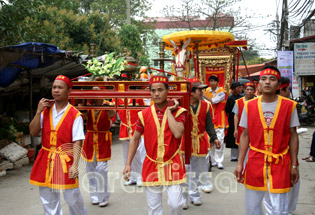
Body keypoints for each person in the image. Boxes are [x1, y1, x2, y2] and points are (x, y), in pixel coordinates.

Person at [234, 66, 300, 215]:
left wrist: (294, 165)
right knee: (252, 205)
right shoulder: (249, 106)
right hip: (255, 160)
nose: (267, 82)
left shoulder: (289, 106)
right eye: (264, 79)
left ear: (278, 84)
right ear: (259, 84)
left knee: (280, 207)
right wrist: (240, 164)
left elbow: (293, 135)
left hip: (281, 162)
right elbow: (245, 135)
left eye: (272, 79)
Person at [123, 75, 187, 215]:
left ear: (167, 91)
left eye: (160, 90)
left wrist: (169, 111)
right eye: (153, 90)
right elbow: (135, 139)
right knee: (153, 208)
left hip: (173, 163)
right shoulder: (143, 114)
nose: (156, 94)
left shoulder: (179, 111)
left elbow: (177, 133)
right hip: (151, 163)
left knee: (176, 204)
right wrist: (128, 164)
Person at [29, 75, 87, 215]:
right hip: (45, 159)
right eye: (54, 87)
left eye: (60, 87)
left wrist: (75, 165)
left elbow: (78, 141)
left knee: (72, 197)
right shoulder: (45, 110)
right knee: (47, 198)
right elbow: (33, 131)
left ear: (69, 91)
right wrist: (38, 112)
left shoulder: (75, 115)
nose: (56, 90)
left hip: (65, 160)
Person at [181, 78, 221, 209]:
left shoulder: (206, 105)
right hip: (184, 143)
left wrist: (214, 137)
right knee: (184, 172)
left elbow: (209, 123)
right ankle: (183, 198)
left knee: (198, 172)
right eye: (200, 90)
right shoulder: (181, 105)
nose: (202, 93)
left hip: (200, 141)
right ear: (191, 92)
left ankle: (195, 195)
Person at [81, 86, 116, 207]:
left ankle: (104, 196)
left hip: (102, 139)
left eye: (98, 91)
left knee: (102, 168)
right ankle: (94, 195)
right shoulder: (88, 105)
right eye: (93, 92)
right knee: (90, 169)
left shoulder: (108, 104)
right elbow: (81, 114)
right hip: (90, 139)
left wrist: (107, 109)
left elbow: (113, 114)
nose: (96, 94)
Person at [116, 98, 146, 187]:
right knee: (126, 155)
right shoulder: (116, 99)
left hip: (136, 128)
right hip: (124, 129)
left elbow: (143, 111)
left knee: (136, 154)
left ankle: (140, 177)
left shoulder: (137, 98)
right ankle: (131, 177)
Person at [203, 74, 228, 169]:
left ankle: (219, 161)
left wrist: (203, 95)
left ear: (218, 82)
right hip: (209, 117)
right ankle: (213, 160)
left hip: (219, 117)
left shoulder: (222, 92)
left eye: (214, 81)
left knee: (220, 139)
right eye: (211, 81)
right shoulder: (206, 91)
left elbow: (214, 101)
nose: (212, 83)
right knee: (210, 140)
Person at [233, 82, 256, 146]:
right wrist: (235, 129)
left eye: (251, 90)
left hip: (254, 128)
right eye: (248, 89)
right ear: (244, 90)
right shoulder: (238, 101)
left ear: (254, 91)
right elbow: (236, 116)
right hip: (242, 128)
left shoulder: (258, 101)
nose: (249, 91)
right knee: (242, 146)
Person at [225, 82, 242, 161]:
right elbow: (227, 110)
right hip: (232, 120)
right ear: (233, 89)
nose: (240, 89)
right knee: (233, 138)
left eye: (240, 88)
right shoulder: (230, 98)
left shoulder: (242, 98)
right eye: (238, 88)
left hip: (241, 119)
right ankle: (233, 156)